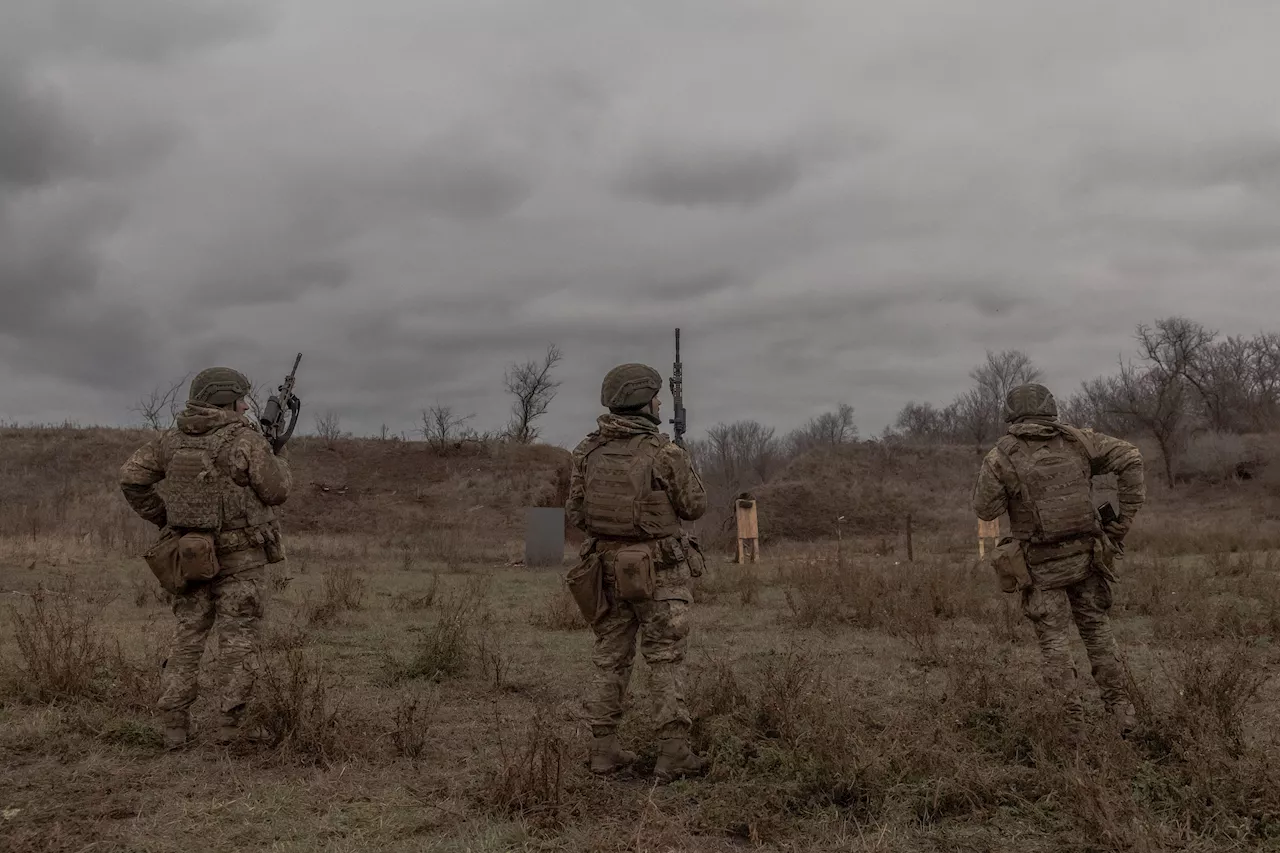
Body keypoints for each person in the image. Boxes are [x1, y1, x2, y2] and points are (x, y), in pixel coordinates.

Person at [120, 367, 292, 749]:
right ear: (224, 399)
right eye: (241, 398)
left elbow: (131, 478)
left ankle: (174, 726)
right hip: (240, 559)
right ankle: (230, 730)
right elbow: (277, 491)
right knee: (237, 642)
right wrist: (279, 453)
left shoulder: (171, 440)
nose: (246, 404)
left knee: (187, 638)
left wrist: (167, 519)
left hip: (189, 556)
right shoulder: (245, 440)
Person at [973, 383, 1145, 735]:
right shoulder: (1080, 440)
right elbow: (1131, 458)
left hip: (1040, 567)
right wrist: (1121, 524)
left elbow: (984, 508)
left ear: (1012, 413)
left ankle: (1073, 728)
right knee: (1098, 633)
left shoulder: (1001, 456)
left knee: (1055, 644)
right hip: (1088, 558)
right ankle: (1122, 713)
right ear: (1051, 409)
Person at [566, 363, 709, 780]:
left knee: (610, 659)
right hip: (659, 570)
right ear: (643, 402)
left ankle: (602, 749)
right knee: (665, 658)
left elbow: (577, 512)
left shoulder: (586, 451)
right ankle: (673, 753)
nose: (660, 402)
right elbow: (694, 506)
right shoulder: (664, 453)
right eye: (656, 397)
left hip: (605, 571)